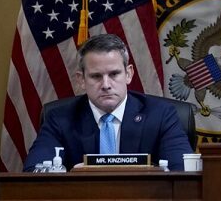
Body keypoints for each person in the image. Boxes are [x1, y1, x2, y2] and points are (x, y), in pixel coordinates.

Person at [24, 34, 193, 171]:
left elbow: (183, 174)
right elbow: (33, 172)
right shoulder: (59, 119)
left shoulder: (161, 115)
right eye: (96, 76)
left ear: (128, 74)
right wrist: (73, 177)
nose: (106, 85)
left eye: (114, 74)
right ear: (81, 79)